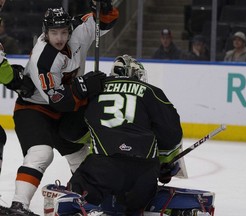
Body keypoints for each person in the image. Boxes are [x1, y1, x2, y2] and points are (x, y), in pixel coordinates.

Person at [0, 2, 119, 215]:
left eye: (63, 32)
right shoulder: (43, 58)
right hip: (34, 110)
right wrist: (83, 86)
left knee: (81, 157)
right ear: (45, 33)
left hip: (65, 112)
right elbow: (59, 100)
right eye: (54, 32)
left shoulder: (79, 32)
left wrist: (105, 6)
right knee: (41, 153)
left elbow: (106, 21)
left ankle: (94, 200)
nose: (59, 38)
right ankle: (19, 206)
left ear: (70, 29)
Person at [66, 54, 183, 215]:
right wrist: (165, 166)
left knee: (74, 199)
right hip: (144, 173)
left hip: (103, 169)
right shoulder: (152, 92)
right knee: (135, 207)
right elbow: (172, 135)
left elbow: (70, 132)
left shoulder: (95, 90)